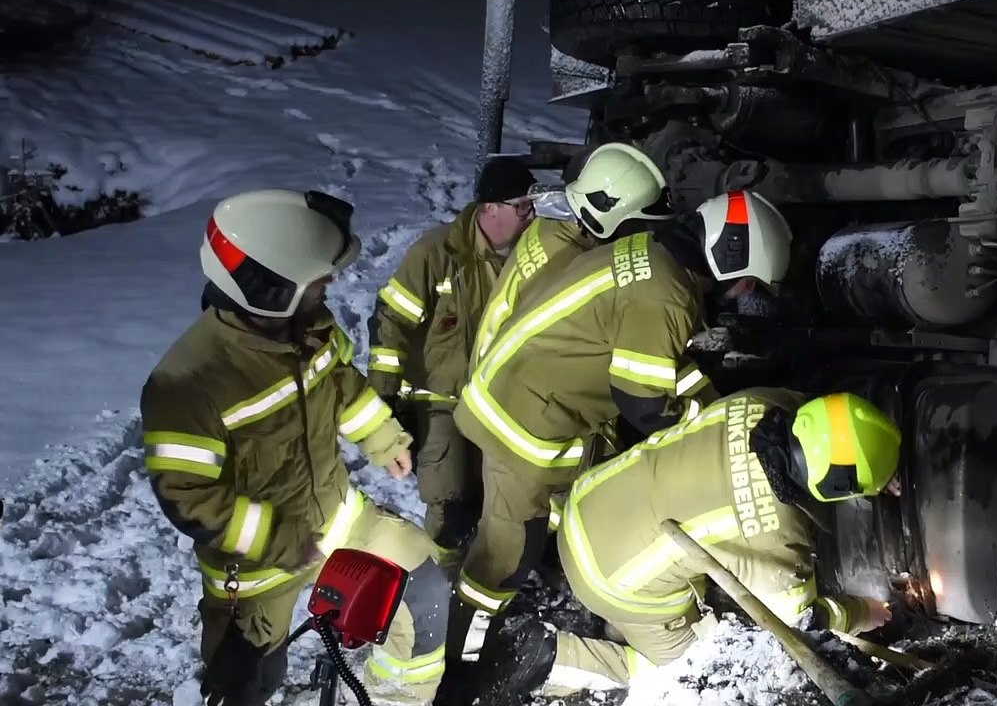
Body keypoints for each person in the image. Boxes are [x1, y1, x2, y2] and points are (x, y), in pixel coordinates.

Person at [447, 190, 792, 663]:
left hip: (525, 395)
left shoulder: (655, 256)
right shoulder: (667, 295)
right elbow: (644, 401)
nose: (744, 294)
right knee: (508, 552)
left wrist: (713, 404)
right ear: (728, 259)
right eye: (748, 283)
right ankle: (458, 652)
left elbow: (660, 362)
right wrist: (703, 432)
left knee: (549, 525)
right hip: (520, 422)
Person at [140, 189, 452, 705]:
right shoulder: (187, 384)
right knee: (246, 684)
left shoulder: (310, 330)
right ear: (271, 287)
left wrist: (381, 435)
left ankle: (398, 694)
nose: (329, 284)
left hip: (336, 516)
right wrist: (283, 541)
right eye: (317, 280)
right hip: (260, 567)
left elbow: (341, 386)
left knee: (422, 580)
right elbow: (190, 498)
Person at [477, 387, 903, 702]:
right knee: (689, 661)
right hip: (606, 578)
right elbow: (797, 623)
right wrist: (861, 611)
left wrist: (878, 469)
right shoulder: (777, 528)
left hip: (585, 499)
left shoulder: (760, 404)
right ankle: (554, 656)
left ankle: (628, 617)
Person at [366, 157, 537, 554]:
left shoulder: (532, 256)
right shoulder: (437, 253)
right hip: (440, 402)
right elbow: (391, 324)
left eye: (533, 207)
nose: (530, 216)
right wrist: (385, 402)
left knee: (507, 502)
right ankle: (445, 594)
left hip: (500, 403)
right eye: (522, 207)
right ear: (490, 208)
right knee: (450, 502)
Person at [469, 141, 674, 370]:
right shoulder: (569, 256)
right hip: (506, 374)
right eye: (635, 224)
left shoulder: (553, 228)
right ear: (606, 214)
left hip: (497, 368)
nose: (639, 233)